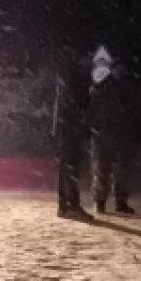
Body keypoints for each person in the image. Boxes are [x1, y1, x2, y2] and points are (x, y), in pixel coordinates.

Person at [89, 46, 141, 214]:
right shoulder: (103, 86)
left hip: (121, 133)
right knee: (103, 169)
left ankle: (119, 201)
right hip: (105, 133)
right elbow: (93, 108)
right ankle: (101, 201)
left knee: (122, 170)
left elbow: (137, 107)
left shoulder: (127, 87)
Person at [55, 50, 94, 221]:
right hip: (71, 128)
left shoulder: (68, 79)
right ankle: (71, 205)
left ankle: (65, 206)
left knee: (66, 167)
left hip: (67, 127)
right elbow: (79, 107)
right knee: (70, 166)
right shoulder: (77, 81)